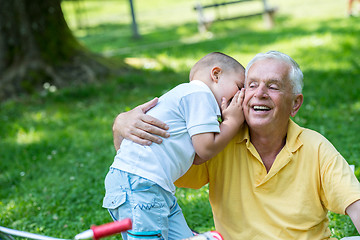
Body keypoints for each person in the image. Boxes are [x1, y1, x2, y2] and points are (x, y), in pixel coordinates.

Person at [112, 51, 360, 240]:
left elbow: (356, 204)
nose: (259, 93)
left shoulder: (315, 147)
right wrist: (121, 127)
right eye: (250, 85)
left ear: (295, 104)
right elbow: (142, 172)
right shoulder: (216, 141)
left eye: (272, 86)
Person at [103, 52, 246, 240]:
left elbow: (197, 157)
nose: (242, 96)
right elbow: (206, 148)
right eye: (240, 87)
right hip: (140, 185)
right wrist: (232, 122)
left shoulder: (193, 98)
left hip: (154, 187)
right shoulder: (199, 94)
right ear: (216, 74)